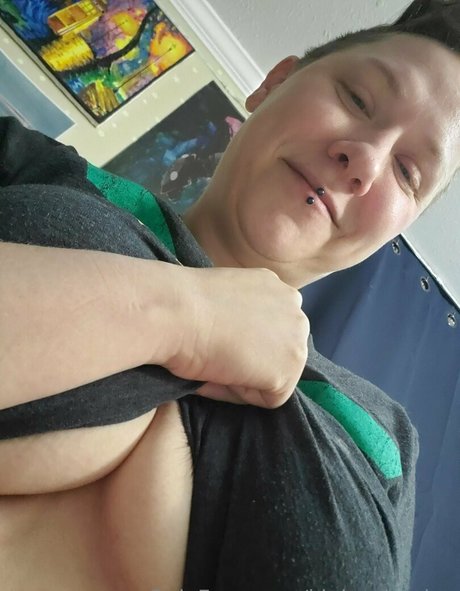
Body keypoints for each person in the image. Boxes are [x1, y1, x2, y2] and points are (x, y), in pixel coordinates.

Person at [0, 0, 459, 589]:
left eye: (408, 172)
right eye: (358, 98)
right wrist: (192, 318)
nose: (365, 160)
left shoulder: (384, 437)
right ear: (273, 83)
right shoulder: (32, 165)